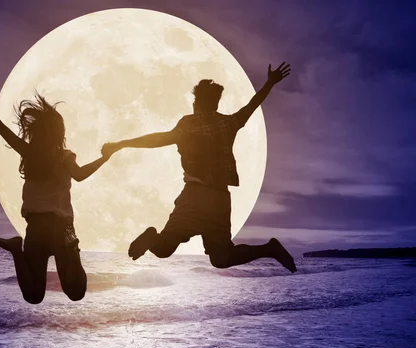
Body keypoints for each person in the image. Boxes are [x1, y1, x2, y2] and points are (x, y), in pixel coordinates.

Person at [101, 63, 296, 273]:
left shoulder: (188, 124)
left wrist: (121, 144)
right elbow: (252, 105)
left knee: (164, 248)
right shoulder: (228, 123)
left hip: (196, 196)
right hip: (220, 199)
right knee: (222, 258)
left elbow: (157, 139)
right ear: (216, 103)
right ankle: (270, 249)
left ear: (197, 102)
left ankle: (152, 236)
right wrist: (269, 83)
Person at [0, 78, 112, 303]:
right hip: (61, 229)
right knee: (76, 292)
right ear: (58, 132)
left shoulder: (28, 152)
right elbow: (80, 175)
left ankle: (16, 249)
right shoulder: (64, 156)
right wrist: (105, 158)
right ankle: (72, 248)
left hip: (35, 229)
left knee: (33, 296)